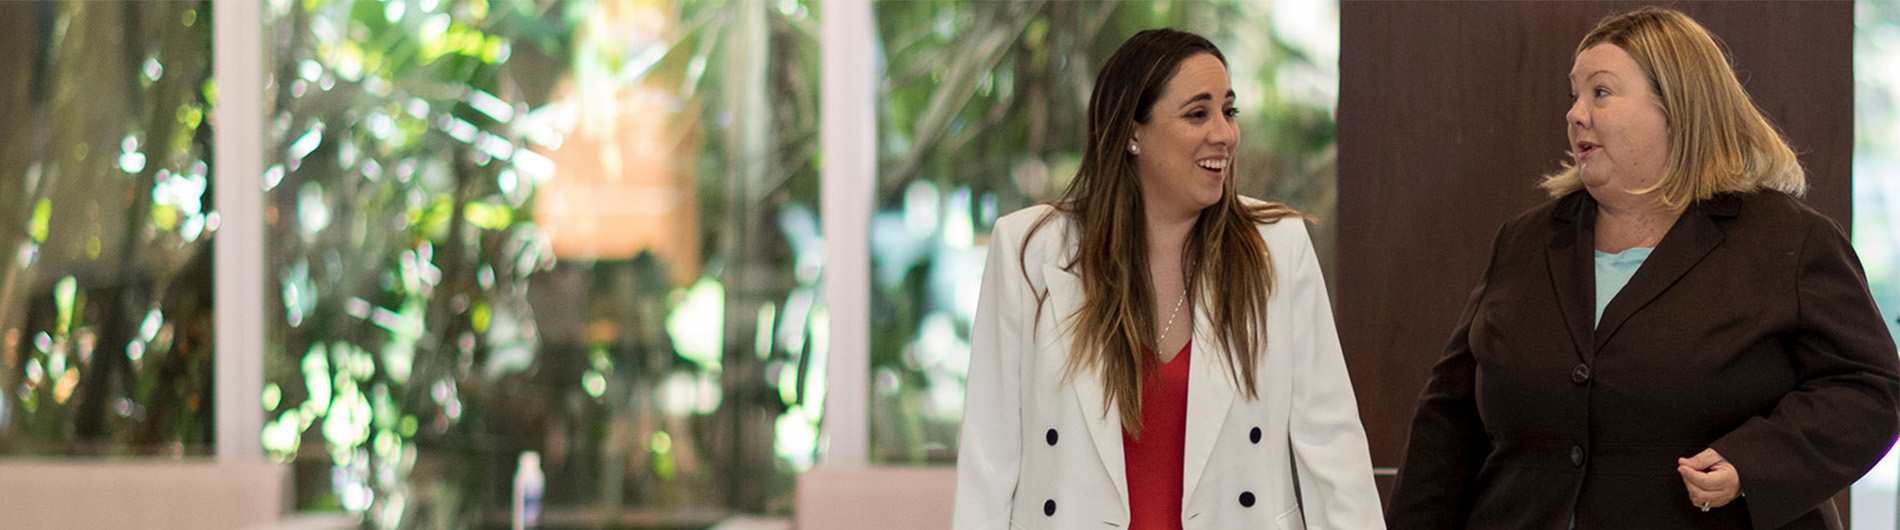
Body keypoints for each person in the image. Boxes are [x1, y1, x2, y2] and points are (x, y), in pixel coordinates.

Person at [1386, 7, 1900, 529]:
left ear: (1676, 106)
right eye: (1575, 96)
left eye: (1601, 93)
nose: (1576, 114)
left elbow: (1869, 389)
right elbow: (1448, 420)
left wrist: (1754, 462)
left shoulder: (1789, 240)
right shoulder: (1525, 242)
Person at [952, 28, 1384, 530]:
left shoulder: (1277, 248)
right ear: (1132, 132)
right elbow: (989, 463)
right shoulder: (1028, 249)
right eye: (1197, 113)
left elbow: (1334, 452)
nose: (1224, 133)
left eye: (1229, 110)